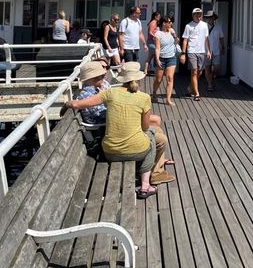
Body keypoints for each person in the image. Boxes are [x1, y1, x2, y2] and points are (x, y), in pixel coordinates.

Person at [63, 63, 175, 198]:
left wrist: (66, 105)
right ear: (138, 79)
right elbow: (145, 128)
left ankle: (157, 168)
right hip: (135, 150)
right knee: (151, 135)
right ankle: (146, 183)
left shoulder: (109, 93)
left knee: (154, 131)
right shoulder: (144, 97)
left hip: (110, 151)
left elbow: (76, 104)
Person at [182, 8, 211, 100]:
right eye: (196, 14)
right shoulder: (188, 26)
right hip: (191, 51)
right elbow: (185, 40)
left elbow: (206, 39)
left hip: (202, 51)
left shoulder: (204, 25)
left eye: (200, 14)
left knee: (200, 72)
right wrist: (183, 53)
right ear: (193, 15)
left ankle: (190, 87)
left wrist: (208, 51)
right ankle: (196, 93)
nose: (198, 16)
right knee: (194, 71)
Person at [153, 16, 180, 105]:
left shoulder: (172, 32)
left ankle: (168, 99)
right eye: (169, 22)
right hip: (161, 58)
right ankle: (154, 93)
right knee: (159, 79)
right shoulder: (158, 34)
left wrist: (175, 35)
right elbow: (157, 48)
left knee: (170, 78)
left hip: (171, 58)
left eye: (171, 21)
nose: (171, 23)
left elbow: (176, 42)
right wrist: (157, 59)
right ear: (164, 23)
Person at [204, 11, 225, 91]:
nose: (210, 19)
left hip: (216, 51)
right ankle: (210, 85)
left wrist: (223, 47)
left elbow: (221, 38)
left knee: (217, 68)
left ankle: (211, 78)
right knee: (207, 68)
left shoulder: (218, 27)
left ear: (214, 18)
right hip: (206, 51)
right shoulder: (204, 27)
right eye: (208, 17)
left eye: (211, 17)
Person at [144, 11, 161, 76]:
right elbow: (150, 32)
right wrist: (156, 37)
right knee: (157, 56)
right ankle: (157, 71)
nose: (159, 18)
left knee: (150, 57)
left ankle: (145, 71)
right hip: (152, 43)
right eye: (158, 16)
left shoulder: (156, 23)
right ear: (155, 17)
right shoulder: (153, 23)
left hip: (154, 42)